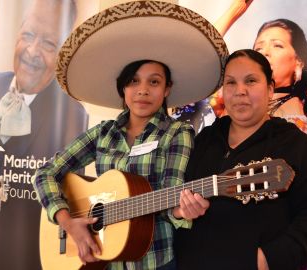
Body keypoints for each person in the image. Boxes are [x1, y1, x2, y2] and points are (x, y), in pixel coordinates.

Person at [32, 1, 228, 269]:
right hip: (104, 259)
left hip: (153, 261)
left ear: (167, 88)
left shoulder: (177, 133)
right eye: (134, 81)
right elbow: (45, 174)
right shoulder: (103, 134)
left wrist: (182, 210)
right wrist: (67, 221)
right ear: (123, 88)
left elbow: (172, 194)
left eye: (154, 81)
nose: (143, 90)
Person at [174, 49, 307, 270]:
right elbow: (179, 199)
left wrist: (269, 259)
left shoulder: (296, 145)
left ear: (270, 88)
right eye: (231, 83)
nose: (240, 91)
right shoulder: (204, 140)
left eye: (250, 81)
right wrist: (181, 211)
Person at [0, 1, 87, 269]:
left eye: (49, 44)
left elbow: (71, 199)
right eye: (28, 35)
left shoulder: (72, 115)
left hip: (29, 259)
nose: (32, 51)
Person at [213, 0, 307, 147]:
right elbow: (194, 61)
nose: (265, 53)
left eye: (277, 45)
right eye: (258, 49)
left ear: (298, 62)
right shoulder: (234, 102)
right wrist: (236, 9)